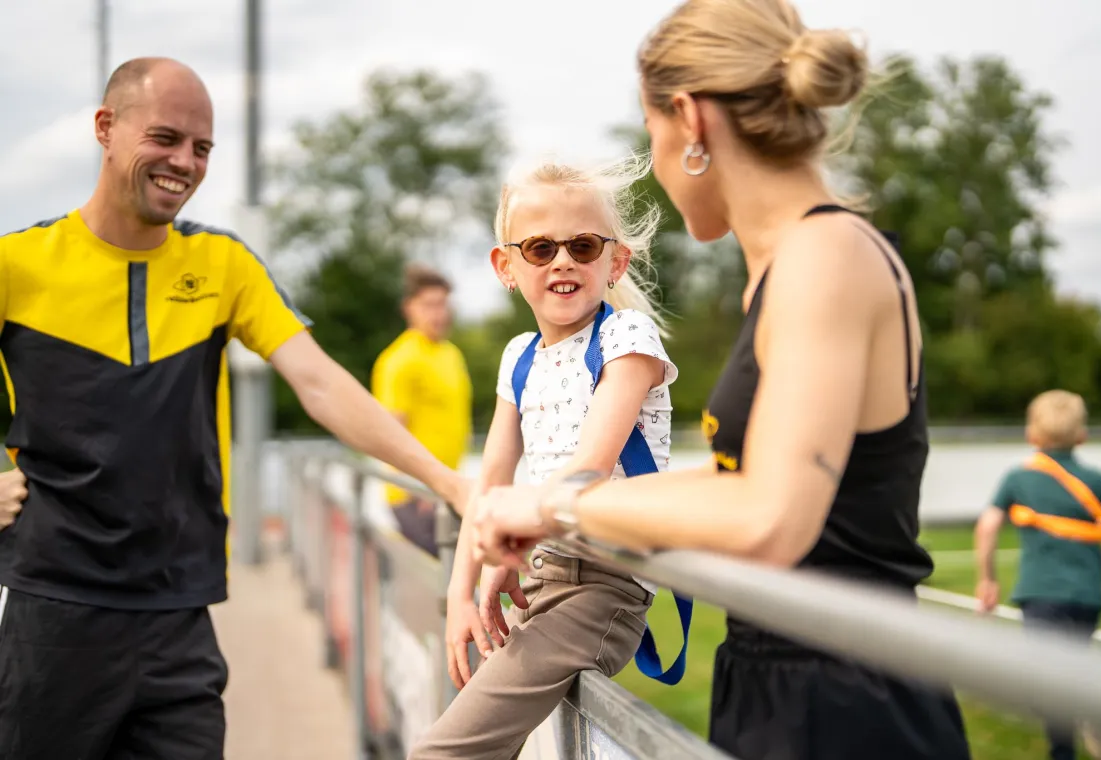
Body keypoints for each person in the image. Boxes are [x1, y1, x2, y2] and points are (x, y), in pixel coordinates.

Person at [466, 1, 974, 758]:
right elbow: (746, 481)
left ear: (690, 120)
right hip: (780, 673)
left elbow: (771, 515)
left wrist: (551, 503)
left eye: (651, 133)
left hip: (847, 693)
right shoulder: (787, 266)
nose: (656, 160)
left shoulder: (826, 256)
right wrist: (547, 511)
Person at [0, 57, 468, 760]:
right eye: (165, 138)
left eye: (202, 148)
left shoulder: (222, 264)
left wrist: (452, 483)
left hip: (180, 616)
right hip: (53, 614)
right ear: (105, 127)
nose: (185, 163)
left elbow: (320, 382)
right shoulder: (18, 264)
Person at [408, 156, 679, 759]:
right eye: (539, 248)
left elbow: (587, 469)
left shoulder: (627, 338)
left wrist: (515, 533)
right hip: (540, 579)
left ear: (615, 262)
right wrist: (460, 595)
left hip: (601, 589)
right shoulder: (519, 357)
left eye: (582, 246)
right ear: (506, 266)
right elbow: (490, 482)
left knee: (442, 752)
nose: (562, 261)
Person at [975, 390, 1101, 760]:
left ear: (1031, 434)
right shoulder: (1098, 481)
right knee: (1071, 667)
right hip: (1087, 596)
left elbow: (987, 526)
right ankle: (1092, 712)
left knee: (1047, 678)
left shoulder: (1018, 478)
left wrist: (987, 579)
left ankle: (1063, 749)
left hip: (1040, 594)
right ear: (1081, 436)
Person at [371, 264, 473, 556]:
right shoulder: (399, 360)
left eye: (443, 304)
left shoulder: (451, 354)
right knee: (445, 573)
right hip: (416, 496)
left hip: (446, 490)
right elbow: (392, 435)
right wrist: (422, 487)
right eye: (429, 305)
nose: (439, 313)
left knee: (466, 571)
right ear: (409, 308)